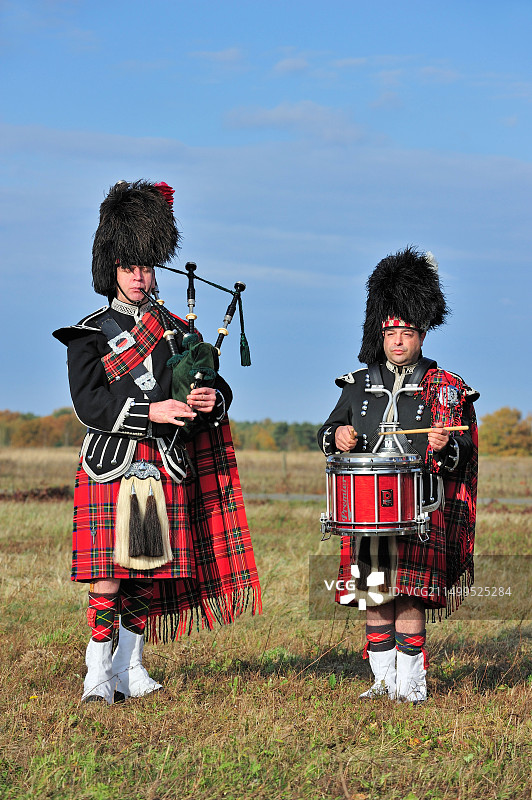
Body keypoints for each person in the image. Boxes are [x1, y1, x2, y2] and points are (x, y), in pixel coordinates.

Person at [53, 180, 261, 704]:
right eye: (129, 267)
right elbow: (90, 405)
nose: (140, 277)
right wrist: (151, 410)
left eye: (147, 267)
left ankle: (131, 668)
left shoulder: (176, 330)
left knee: (146, 576)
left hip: (164, 462)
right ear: (111, 270)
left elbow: (204, 381)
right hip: (112, 464)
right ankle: (97, 675)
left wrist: (215, 395)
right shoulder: (89, 334)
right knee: (107, 578)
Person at [317, 247, 478, 703]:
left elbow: (465, 452)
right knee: (374, 593)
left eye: (408, 333)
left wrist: (447, 446)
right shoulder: (358, 383)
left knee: (409, 595)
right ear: (380, 334)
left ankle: (413, 683)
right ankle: (382, 680)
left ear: (422, 333)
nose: (399, 342)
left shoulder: (445, 385)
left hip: (421, 505)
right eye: (392, 333)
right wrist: (340, 435)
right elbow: (327, 431)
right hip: (365, 508)